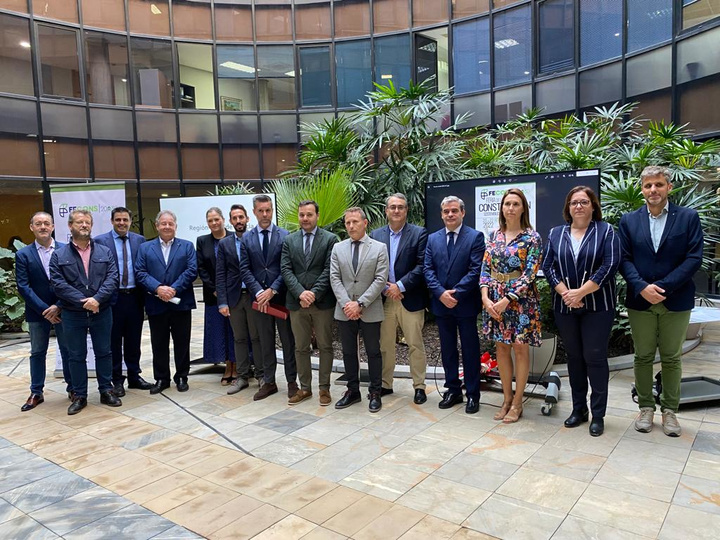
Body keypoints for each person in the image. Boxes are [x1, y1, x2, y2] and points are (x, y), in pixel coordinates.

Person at [619, 165, 703, 437]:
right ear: (641, 189)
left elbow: (694, 258)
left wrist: (662, 287)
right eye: (647, 186)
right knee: (642, 356)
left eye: (658, 185)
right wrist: (642, 287)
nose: (653, 190)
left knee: (671, 357)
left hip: (675, 299)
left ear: (668, 187)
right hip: (640, 300)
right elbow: (624, 259)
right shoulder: (629, 220)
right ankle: (645, 408)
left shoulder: (688, 218)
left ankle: (669, 412)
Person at [542, 187, 621, 437]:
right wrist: (567, 293)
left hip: (598, 306)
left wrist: (581, 293)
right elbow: (548, 266)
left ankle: (598, 414)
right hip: (565, 306)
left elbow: (610, 265)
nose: (578, 206)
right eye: (574, 202)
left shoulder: (606, 231)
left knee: (595, 357)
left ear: (593, 206)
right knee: (575, 358)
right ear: (568, 207)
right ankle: (579, 410)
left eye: (584, 202)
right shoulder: (556, 233)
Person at [479, 188, 542, 424]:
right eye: (507, 204)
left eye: (516, 204)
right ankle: (505, 399)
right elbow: (485, 269)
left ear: (523, 208)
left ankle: (518, 402)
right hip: (494, 298)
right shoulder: (494, 234)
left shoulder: (532, 238)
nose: (511, 208)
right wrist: (486, 298)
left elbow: (530, 275)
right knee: (502, 348)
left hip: (520, 301)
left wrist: (508, 299)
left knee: (519, 348)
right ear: (502, 208)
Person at [49, 209, 121, 415]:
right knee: (76, 355)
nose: (84, 225)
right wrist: (84, 302)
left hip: (102, 311)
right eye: (79, 222)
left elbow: (112, 278)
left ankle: (106, 390)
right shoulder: (59, 255)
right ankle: (79, 395)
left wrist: (97, 299)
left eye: (87, 222)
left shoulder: (104, 251)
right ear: (70, 226)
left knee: (104, 352)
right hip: (73, 314)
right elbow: (58, 284)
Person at [424, 196, 485, 414]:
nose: (450, 214)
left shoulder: (475, 237)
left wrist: (456, 294)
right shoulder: (433, 239)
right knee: (448, 350)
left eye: (454, 211)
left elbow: (475, 270)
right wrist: (441, 294)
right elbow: (428, 270)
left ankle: (472, 394)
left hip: (465, 304)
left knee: (470, 350)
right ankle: (453, 390)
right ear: (441, 214)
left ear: (462, 213)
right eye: (446, 211)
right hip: (441, 305)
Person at [370, 193, 429, 404]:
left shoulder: (419, 233)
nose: (396, 211)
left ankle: (419, 387)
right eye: (393, 207)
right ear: (386, 210)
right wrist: (387, 287)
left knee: (415, 344)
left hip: (409, 297)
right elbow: (371, 266)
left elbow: (422, 265)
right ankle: (386, 384)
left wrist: (400, 286)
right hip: (384, 299)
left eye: (401, 207)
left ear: (406, 210)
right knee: (385, 345)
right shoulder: (375, 235)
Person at [239, 195, 298, 401]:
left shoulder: (285, 235)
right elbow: (245, 269)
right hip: (259, 301)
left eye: (268, 210)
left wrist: (272, 290)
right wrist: (258, 292)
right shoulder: (246, 238)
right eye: (261, 211)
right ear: (254, 212)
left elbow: (287, 267)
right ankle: (269, 381)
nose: (265, 214)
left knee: (288, 341)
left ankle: (292, 382)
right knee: (265, 341)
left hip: (281, 298)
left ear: (272, 211)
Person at [330, 207, 389, 412]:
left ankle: (375, 392)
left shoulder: (379, 247)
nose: (351, 226)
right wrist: (348, 304)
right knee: (348, 352)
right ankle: (352, 391)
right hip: (344, 309)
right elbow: (334, 278)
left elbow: (381, 279)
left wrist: (360, 303)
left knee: (373, 352)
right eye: (347, 223)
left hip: (369, 308)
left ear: (365, 223)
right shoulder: (338, 248)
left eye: (355, 222)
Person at [281, 200, 338, 406]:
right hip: (297, 303)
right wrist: (300, 293)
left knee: (325, 346)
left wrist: (313, 293)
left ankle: (324, 388)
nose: (305, 218)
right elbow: (286, 270)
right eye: (302, 215)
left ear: (317, 216)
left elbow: (329, 269)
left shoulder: (330, 239)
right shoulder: (289, 240)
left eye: (309, 215)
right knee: (301, 347)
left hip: (322, 302)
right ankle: (305, 388)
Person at [135, 210, 198, 394]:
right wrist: (158, 288)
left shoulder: (187, 246)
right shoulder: (145, 248)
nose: (167, 226)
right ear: (157, 225)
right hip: (156, 303)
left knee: (182, 342)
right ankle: (162, 378)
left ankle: (182, 377)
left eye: (170, 223)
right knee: (159, 343)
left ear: (175, 226)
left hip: (181, 303)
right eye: (163, 223)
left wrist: (173, 289)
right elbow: (140, 272)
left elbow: (191, 270)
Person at [16, 212, 72, 411]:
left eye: (46, 223)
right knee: (37, 353)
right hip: (37, 312)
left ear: (53, 226)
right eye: (38, 224)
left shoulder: (67, 250)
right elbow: (23, 287)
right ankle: (36, 392)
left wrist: (58, 305)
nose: (43, 227)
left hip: (64, 309)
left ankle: (72, 388)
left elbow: (71, 281)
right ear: (31, 227)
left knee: (68, 351)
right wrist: (44, 310)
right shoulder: (23, 254)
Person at [94, 207, 153, 396]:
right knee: (114, 341)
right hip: (112, 299)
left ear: (130, 221)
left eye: (125, 220)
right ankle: (117, 380)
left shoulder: (140, 240)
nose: (121, 223)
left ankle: (134, 376)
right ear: (112, 221)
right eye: (118, 219)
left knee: (133, 340)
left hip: (135, 297)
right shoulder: (100, 241)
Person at [217, 204, 262, 395]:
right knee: (239, 338)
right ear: (230, 221)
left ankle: (261, 375)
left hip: (254, 297)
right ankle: (242, 376)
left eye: (241, 217)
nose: (238, 221)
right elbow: (220, 274)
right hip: (234, 298)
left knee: (257, 337)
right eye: (234, 218)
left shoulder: (254, 239)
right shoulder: (224, 244)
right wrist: (222, 301)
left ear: (247, 219)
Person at [196, 207, 236, 384]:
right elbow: (201, 268)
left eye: (216, 219)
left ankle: (239, 366)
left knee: (236, 331)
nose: (214, 223)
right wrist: (215, 289)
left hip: (235, 294)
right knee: (220, 331)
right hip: (213, 295)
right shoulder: (202, 241)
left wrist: (228, 290)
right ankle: (227, 366)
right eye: (210, 220)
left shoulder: (234, 237)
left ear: (223, 220)